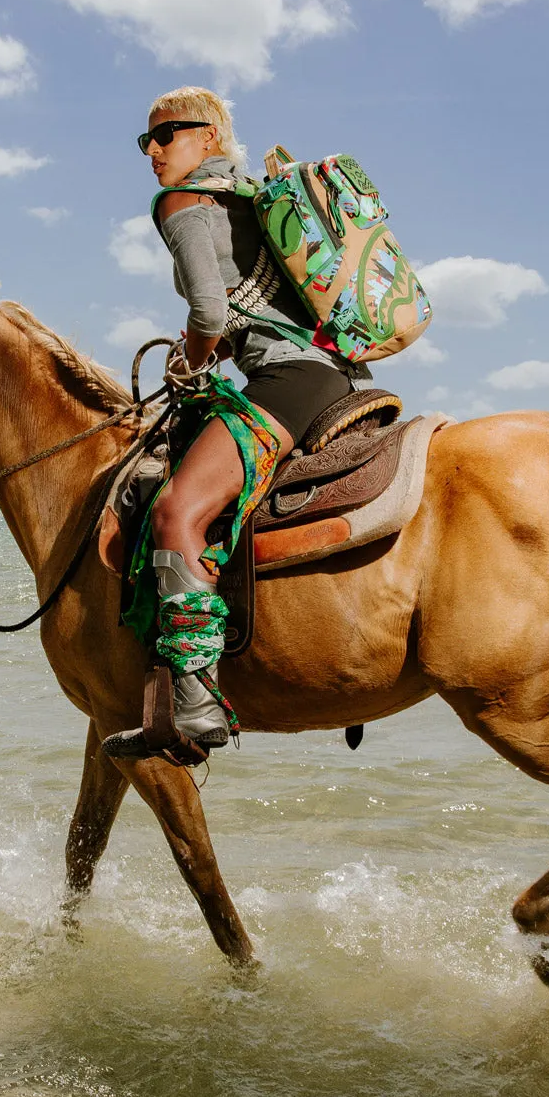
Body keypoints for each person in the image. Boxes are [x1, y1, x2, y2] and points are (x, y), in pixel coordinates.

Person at [104, 87, 366, 760]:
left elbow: (212, 316)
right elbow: (255, 312)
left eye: (167, 135)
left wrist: (190, 364)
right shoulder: (250, 198)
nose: (153, 152)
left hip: (289, 381)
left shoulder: (183, 203)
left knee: (175, 515)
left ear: (211, 136)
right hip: (325, 372)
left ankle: (194, 703)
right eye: (146, 141)